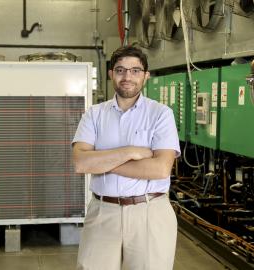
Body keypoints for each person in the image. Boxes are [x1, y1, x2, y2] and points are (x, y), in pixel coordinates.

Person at [72, 45, 181, 270]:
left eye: (135, 71)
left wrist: (102, 162)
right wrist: (130, 152)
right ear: (111, 74)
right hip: (103, 211)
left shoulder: (161, 114)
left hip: (150, 212)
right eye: (120, 70)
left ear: (146, 76)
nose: (127, 76)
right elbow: (81, 162)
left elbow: (160, 169)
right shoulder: (94, 114)